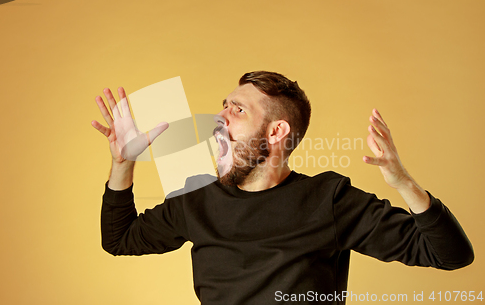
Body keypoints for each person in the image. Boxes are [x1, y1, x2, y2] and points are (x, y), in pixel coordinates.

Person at [92, 71, 473, 305]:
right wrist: (123, 163)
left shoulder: (330, 200)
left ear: (276, 131)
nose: (218, 117)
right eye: (222, 106)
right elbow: (119, 239)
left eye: (237, 110)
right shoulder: (197, 198)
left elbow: (451, 255)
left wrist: (403, 183)